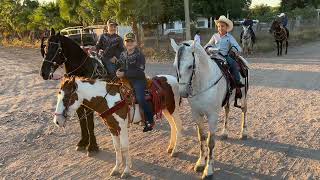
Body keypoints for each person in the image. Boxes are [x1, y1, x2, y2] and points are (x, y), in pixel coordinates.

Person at [116, 32, 154, 132]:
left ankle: (150, 120)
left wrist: (124, 74)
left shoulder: (139, 55)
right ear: (124, 43)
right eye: (127, 41)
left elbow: (140, 71)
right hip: (125, 80)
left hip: (139, 80)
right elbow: (120, 66)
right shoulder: (122, 54)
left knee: (140, 98)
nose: (129, 43)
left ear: (135, 43)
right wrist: (118, 71)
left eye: (131, 41)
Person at [205, 15, 244, 87]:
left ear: (226, 28)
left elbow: (236, 46)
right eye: (219, 26)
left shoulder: (230, 37)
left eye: (222, 26)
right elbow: (208, 44)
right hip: (214, 55)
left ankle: (237, 81)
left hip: (224, 56)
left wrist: (237, 50)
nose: (220, 28)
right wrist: (207, 48)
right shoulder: (215, 36)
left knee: (234, 64)